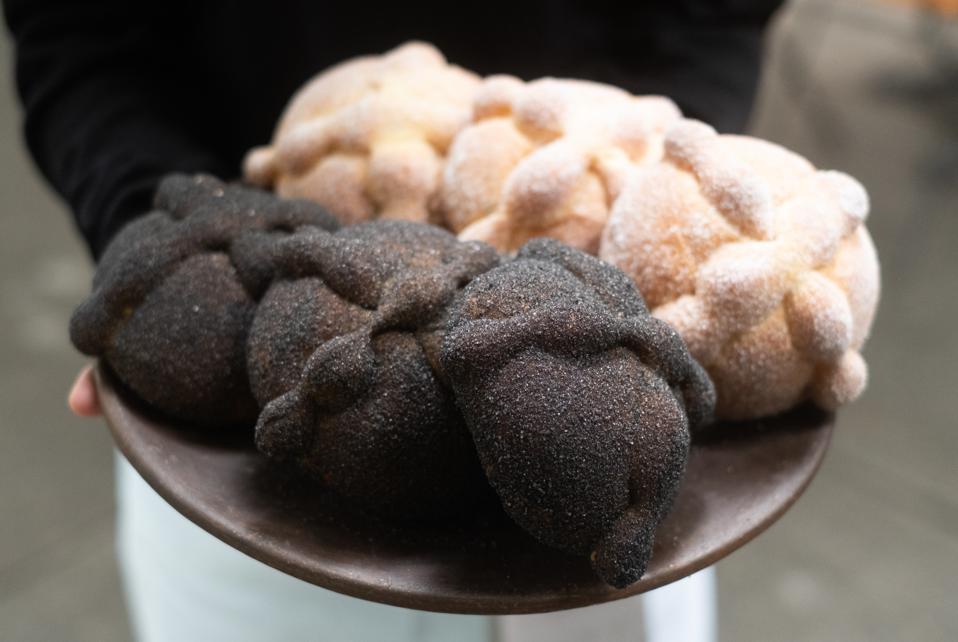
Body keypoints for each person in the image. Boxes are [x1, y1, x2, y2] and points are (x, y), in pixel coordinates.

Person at [4, 1, 783, 640]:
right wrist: (144, 238)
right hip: (251, 474)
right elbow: (78, 34)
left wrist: (648, 177)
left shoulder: (606, 349)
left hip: (609, 493)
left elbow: (715, 17)